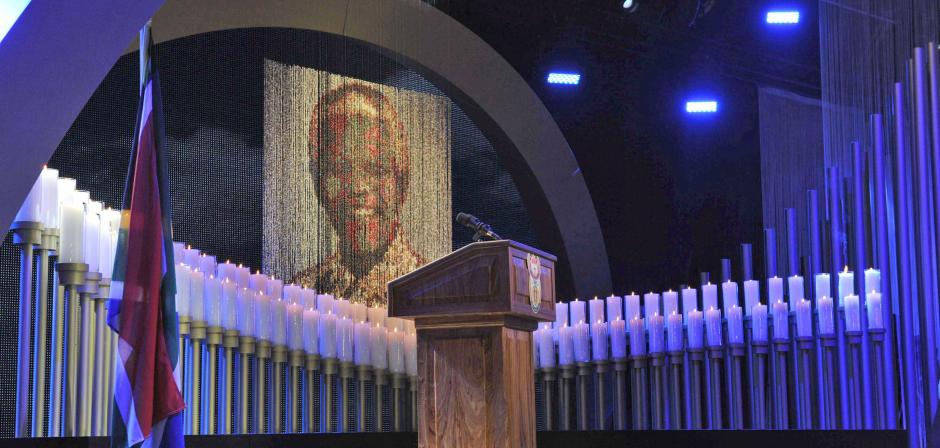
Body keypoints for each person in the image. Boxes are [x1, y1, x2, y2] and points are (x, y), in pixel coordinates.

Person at [291, 82, 426, 308]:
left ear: (401, 182)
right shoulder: (302, 295)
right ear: (318, 186)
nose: (358, 188)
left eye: (376, 169)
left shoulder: (433, 290)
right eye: (340, 170)